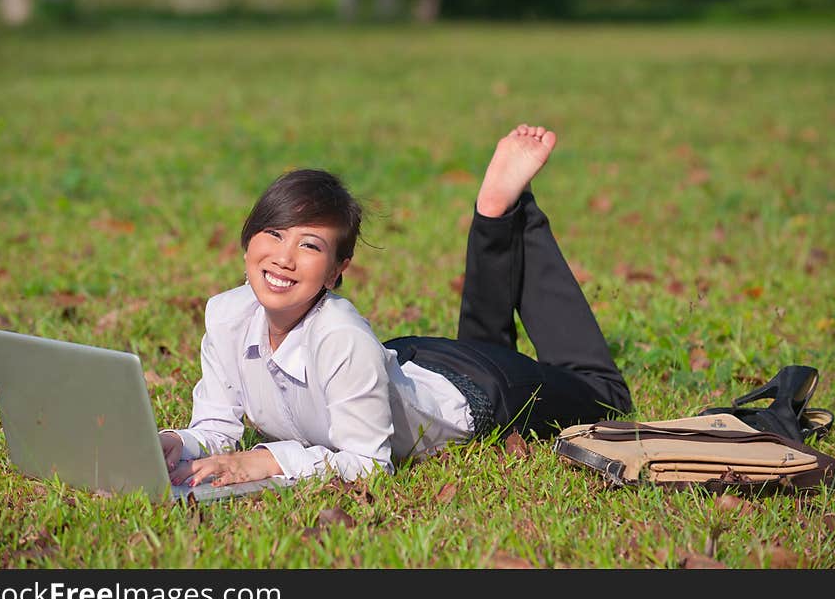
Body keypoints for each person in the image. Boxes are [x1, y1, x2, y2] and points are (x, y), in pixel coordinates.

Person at [160, 123, 632, 488]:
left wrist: (265, 459)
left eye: (309, 245)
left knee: (605, 396)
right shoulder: (227, 315)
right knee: (485, 345)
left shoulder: (341, 335)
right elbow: (217, 424)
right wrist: (173, 443)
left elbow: (367, 465)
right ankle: (495, 216)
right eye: (274, 235)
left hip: (484, 391)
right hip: (407, 361)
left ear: (336, 271)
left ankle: (505, 213)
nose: (283, 258)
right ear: (247, 243)